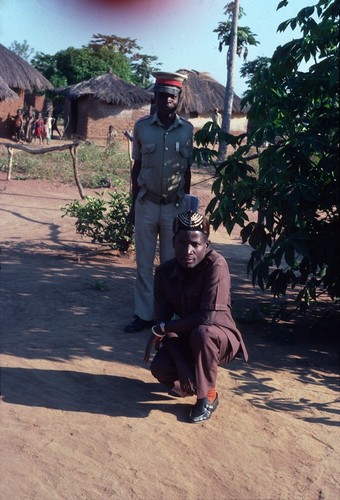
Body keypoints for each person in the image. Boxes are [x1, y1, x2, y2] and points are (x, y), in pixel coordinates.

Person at [144, 211, 248, 423]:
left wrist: (162, 329)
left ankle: (207, 396)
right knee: (160, 368)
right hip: (188, 337)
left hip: (220, 339)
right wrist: (181, 363)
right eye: (181, 243)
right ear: (173, 242)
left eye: (195, 244)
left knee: (203, 333)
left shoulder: (216, 265)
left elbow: (206, 318)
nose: (187, 250)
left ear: (206, 244)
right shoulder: (164, 273)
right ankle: (189, 383)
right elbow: (163, 322)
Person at [124, 71, 194, 333]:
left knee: (170, 264)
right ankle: (143, 315)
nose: (165, 99)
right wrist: (133, 206)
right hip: (146, 204)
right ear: (155, 96)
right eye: (161, 94)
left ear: (178, 98)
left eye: (170, 95)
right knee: (143, 264)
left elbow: (186, 172)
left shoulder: (187, 130)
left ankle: (165, 316)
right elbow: (136, 168)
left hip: (174, 207)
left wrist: (187, 209)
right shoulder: (142, 127)